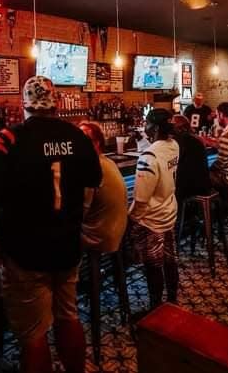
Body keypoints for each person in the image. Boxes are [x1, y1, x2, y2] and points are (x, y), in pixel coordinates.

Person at [0, 76, 102, 373]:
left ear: (23, 103)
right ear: (57, 103)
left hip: (25, 254)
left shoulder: (8, 139)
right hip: (66, 249)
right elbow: (93, 184)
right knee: (67, 316)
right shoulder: (78, 137)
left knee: (33, 336)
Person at [128, 109, 180, 308]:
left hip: (152, 219)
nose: (144, 127)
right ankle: (172, 299)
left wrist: (131, 220)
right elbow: (156, 154)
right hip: (169, 210)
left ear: (155, 128)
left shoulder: (148, 156)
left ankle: (156, 308)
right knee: (169, 258)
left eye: (147, 124)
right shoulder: (173, 145)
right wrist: (142, 141)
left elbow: (141, 199)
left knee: (153, 265)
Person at [78, 121, 128, 253]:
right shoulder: (108, 161)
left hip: (100, 237)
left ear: (97, 142)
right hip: (118, 231)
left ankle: (76, 273)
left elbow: (81, 211)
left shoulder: (90, 167)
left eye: (85, 140)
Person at [172, 114, 211, 202]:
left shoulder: (178, 141)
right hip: (203, 184)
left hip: (188, 188)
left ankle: (176, 214)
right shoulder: (198, 139)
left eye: (172, 125)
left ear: (177, 127)